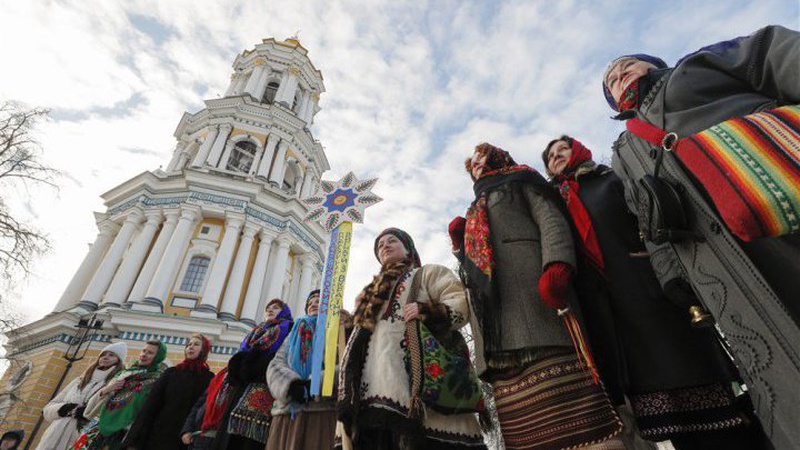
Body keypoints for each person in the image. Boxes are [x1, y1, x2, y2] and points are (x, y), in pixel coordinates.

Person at [602, 25, 800, 448]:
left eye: (625, 66)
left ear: (654, 65)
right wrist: (674, 276)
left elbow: (772, 53)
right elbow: (644, 216)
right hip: (714, 258)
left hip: (781, 191)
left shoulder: (695, 68)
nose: (618, 75)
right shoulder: (624, 153)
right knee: (774, 357)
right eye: (611, 81)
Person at [543, 135, 770, 449]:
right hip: (613, 312)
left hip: (649, 290)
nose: (556, 156)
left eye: (562, 149)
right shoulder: (556, 203)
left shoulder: (610, 179)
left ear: (578, 150)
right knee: (670, 415)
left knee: (698, 382)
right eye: (551, 156)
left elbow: (647, 214)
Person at [449, 143, 623, 449]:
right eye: (471, 163)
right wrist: (460, 248)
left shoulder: (523, 180)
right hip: (497, 326)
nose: (475, 164)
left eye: (480, 156)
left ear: (497, 156)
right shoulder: (475, 207)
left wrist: (557, 265)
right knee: (528, 432)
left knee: (583, 423)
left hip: (535, 299)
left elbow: (552, 220)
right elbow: (479, 269)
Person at [336, 228, 486, 450]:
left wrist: (426, 310)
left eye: (392, 241)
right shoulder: (366, 296)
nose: (384, 246)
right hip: (371, 394)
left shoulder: (427, 274)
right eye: (380, 245)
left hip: (417, 392)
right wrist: (346, 327)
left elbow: (460, 303)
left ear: (408, 249)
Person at [210, 299, 293, 450]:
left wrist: (254, 365)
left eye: (275, 308)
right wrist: (239, 367)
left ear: (283, 312)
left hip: (264, 385)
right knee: (228, 434)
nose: (270, 310)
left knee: (249, 438)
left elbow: (281, 356)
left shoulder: (286, 328)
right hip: (241, 385)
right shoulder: (256, 332)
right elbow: (244, 351)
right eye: (268, 307)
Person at [266, 289, 338, 450]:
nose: (313, 304)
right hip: (287, 413)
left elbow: (343, 365)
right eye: (310, 302)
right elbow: (276, 364)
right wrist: (291, 385)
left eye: (319, 301)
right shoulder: (293, 334)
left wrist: (315, 383)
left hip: (321, 413)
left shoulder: (336, 331)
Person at [122, 334, 214, 450]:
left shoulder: (209, 379)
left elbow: (202, 410)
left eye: (196, 344)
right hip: (157, 434)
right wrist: (134, 440)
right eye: (189, 344)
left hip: (183, 439)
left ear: (204, 350)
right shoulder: (171, 373)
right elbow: (151, 405)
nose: (191, 347)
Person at [75, 340, 168, 450]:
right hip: (99, 427)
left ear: (158, 357)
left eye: (150, 353)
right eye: (144, 351)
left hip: (124, 432)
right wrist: (105, 390)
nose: (144, 355)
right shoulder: (124, 373)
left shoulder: (157, 380)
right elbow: (90, 409)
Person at [37, 342, 127, 450]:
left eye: (111, 355)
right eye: (103, 354)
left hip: (83, 436)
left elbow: (110, 412)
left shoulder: (114, 383)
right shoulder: (79, 381)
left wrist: (86, 413)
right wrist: (64, 409)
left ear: (118, 360)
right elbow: (47, 409)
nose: (105, 357)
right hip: (54, 433)